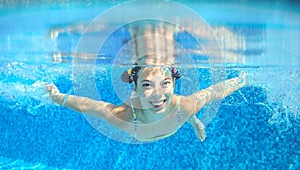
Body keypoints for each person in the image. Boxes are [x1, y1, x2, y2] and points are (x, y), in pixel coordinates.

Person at [46, 21, 247, 142]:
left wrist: (241, 80)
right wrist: (58, 98)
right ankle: (134, 76)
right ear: (135, 88)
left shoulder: (184, 106)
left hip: (177, 114)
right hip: (143, 112)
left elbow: (214, 92)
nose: (159, 93)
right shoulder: (125, 116)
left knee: (180, 107)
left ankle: (189, 117)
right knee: (142, 89)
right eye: (147, 85)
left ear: (175, 84)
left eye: (166, 83)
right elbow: (91, 106)